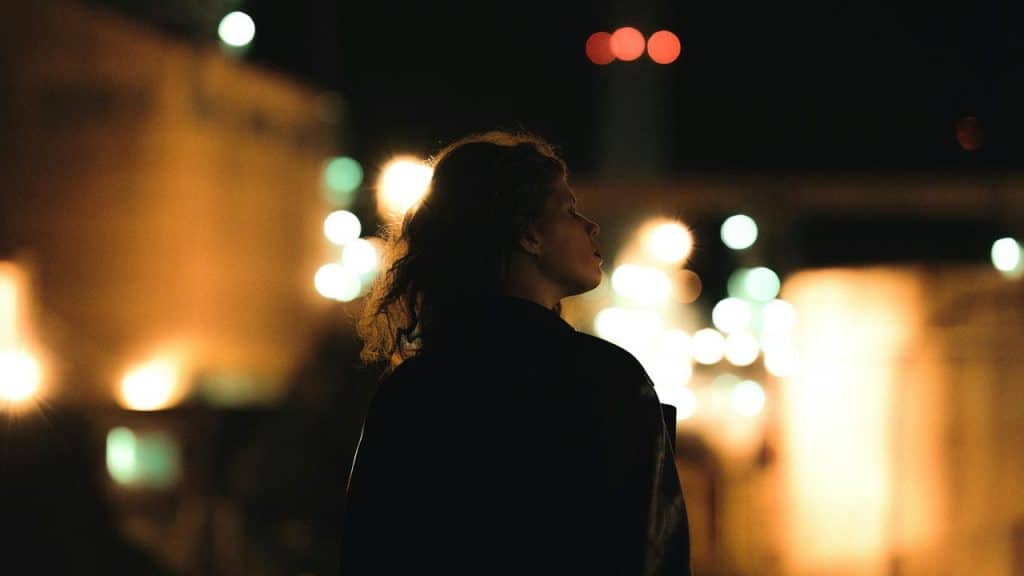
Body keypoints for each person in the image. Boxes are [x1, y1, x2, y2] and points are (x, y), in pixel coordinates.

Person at [341, 130, 691, 575]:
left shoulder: (410, 390)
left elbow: (370, 550)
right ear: (528, 234)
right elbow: (652, 553)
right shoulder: (607, 379)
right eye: (568, 210)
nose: (592, 226)